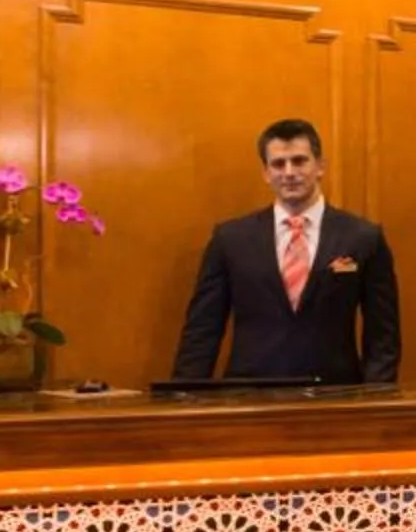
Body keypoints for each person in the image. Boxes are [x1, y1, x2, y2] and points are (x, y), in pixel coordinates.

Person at [170, 119, 400, 384]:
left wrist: (375, 401)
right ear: (266, 173)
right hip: (250, 397)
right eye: (278, 164)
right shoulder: (231, 239)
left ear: (320, 167)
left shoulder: (362, 237)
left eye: (299, 161)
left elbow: (383, 334)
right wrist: (183, 398)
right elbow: (202, 329)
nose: (289, 172)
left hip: (336, 397)